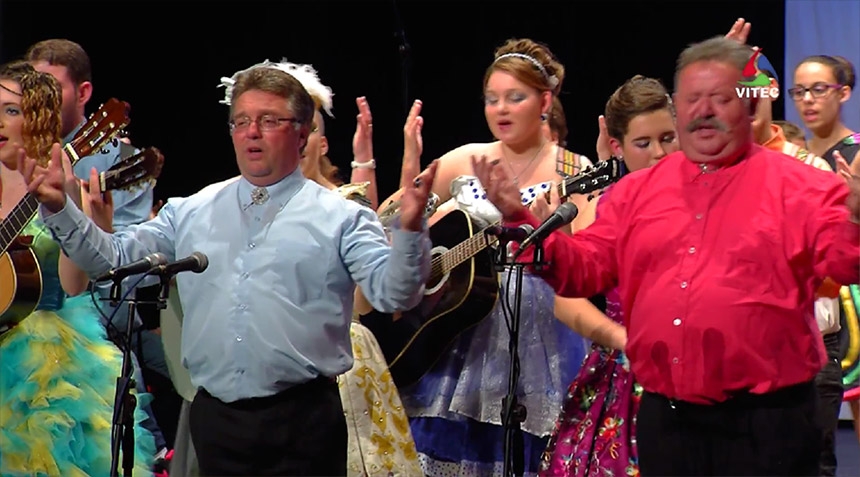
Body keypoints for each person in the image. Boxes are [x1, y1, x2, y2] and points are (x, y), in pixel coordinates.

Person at [20, 63, 436, 476]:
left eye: (269, 120)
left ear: (303, 131)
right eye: (241, 121)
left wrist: (411, 231)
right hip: (216, 423)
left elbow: (393, 294)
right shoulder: (192, 210)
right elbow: (111, 261)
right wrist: (60, 208)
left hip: (304, 422)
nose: (251, 131)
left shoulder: (342, 217)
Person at [472, 36, 860, 476]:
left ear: (750, 108)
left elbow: (846, 264)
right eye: (693, 98)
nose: (704, 110)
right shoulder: (636, 193)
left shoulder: (804, 185)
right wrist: (519, 216)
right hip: (667, 421)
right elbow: (585, 269)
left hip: (770, 423)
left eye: (721, 98)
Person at [380, 38, 591, 476]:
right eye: (492, 99)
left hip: (536, 331)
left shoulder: (573, 169)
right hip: (456, 333)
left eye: (516, 97)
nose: (502, 109)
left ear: (545, 101)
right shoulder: (464, 159)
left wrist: (553, 230)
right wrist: (411, 183)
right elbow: (391, 216)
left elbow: (587, 261)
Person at [218, 58, 422, 476]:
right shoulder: (235, 204)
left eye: (305, 128)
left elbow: (374, 298)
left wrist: (372, 168)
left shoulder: (344, 209)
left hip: (327, 370)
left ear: (316, 140)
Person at [0, 61, 155, 476]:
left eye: (11, 110)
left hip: (43, 362)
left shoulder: (61, 183)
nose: (0, 121)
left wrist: (70, 208)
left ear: (38, 117)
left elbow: (73, 285)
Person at [25, 38, 172, 456]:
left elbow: (124, 268)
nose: (42, 102)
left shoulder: (115, 159)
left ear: (83, 93)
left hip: (95, 327)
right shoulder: (19, 156)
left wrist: (95, 230)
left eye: (52, 88)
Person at [541, 75, 679, 476]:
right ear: (618, 146)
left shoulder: (702, 200)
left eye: (668, 138)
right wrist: (622, 339)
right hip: (624, 369)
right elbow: (567, 300)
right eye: (643, 143)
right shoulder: (604, 208)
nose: (659, 153)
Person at [791, 55, 859, 169]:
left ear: (843, 94)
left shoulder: (857, 150)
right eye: (799, 92)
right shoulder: (796, 153)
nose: (807, 99)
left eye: (819, 90)